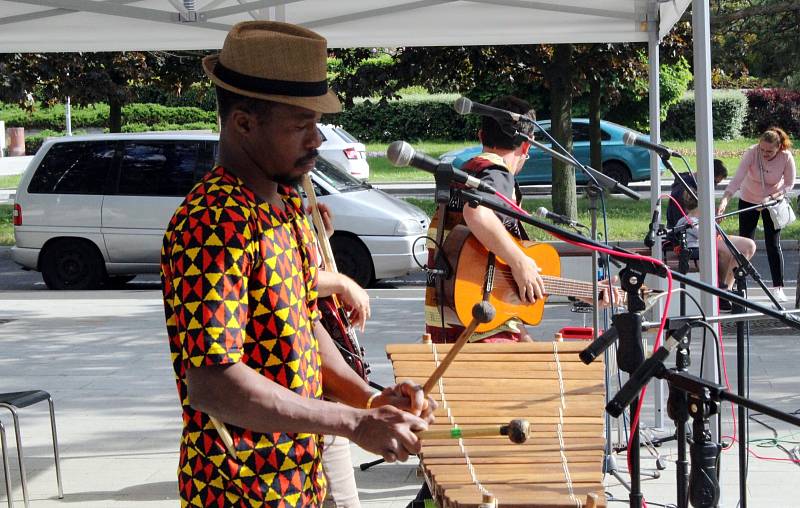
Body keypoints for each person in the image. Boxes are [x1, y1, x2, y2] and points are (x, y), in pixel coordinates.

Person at [160, 21, 435, 507]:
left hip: (296, 482)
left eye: (317, 125)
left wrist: (369, 398)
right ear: (243, 123)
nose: (315, 140)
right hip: (237, 491)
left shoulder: (283, 208)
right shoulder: (213, 223)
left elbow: (303, 327)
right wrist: (350, 423)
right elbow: (213, 382)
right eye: (300, 126)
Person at [424, 95, 614, 344]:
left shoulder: (466, 172)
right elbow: (477, 213)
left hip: (451, 322)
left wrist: (585, 292)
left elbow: (490, 268)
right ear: (527, 145)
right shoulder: (497, 176)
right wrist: (521, 262)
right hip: (481, 332)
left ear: (481, 136)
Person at [717, 127, 796, 302]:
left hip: (772, 203)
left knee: (773, 244)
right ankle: (740, 285)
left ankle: (778, 287)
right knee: (745, 244)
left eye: (770, 151)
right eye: (762, 149)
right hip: (749, 199)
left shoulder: (786, 157)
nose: (765, 153)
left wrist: (772, 197)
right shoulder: (752, 153)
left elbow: (789, 184)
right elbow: (737, 179)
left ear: (779, 147)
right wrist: (725, 200)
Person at [665, 159, 757, 294]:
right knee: (726, 251)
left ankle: (728, 289)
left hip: (703, 233)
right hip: (691, 240)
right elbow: (683, 222)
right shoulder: (683, 189)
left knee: (749, 246)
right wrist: (708, 223)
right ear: (705, 174)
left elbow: (698, 218)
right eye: (714, 182)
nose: (714, 187)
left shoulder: (699, 186)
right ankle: (721, 291)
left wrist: (713, 220)